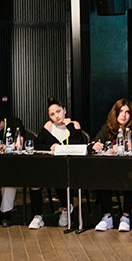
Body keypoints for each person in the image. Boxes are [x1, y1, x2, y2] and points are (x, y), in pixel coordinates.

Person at [91, 98, 132, 233]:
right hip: (111, 169)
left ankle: (125, 216)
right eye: (120, 112)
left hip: (131, 169)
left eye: (127, 112)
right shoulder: (107, 128)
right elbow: (94, 143)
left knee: (131, 176)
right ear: (115, 113)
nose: (123, 115)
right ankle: (107, 216)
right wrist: (96, 145)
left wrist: (129, 146)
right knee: (102, 175)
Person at [28, 98, 87, 229]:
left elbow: (78, 143)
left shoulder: (74, 124)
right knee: (35, 181)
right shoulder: (49, 126)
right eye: (52, 114)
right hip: (51, 166)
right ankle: (37, 216)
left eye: (58, 111)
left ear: (64, 110)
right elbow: (37, 144)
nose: (57, 116)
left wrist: (69, 125)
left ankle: (67, 208)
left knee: (59, 175)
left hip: (70, 166)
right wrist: (50, 147)